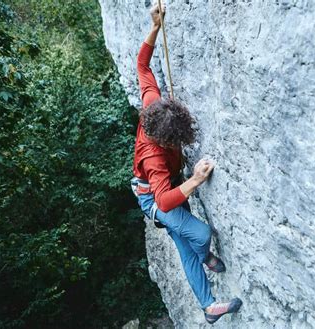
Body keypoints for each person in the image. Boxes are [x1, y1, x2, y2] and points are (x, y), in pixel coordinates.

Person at [129, 5, 242, 324]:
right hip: (153, 196)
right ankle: (206, 256)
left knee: (185, 248)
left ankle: (208, 307)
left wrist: (155, 27)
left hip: (164, 188)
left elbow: (141, 65)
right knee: (200, 233)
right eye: (174, 142)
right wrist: (194, 179)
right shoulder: (153, 158)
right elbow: (164, 201)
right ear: (164, 141)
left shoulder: (153, 105)